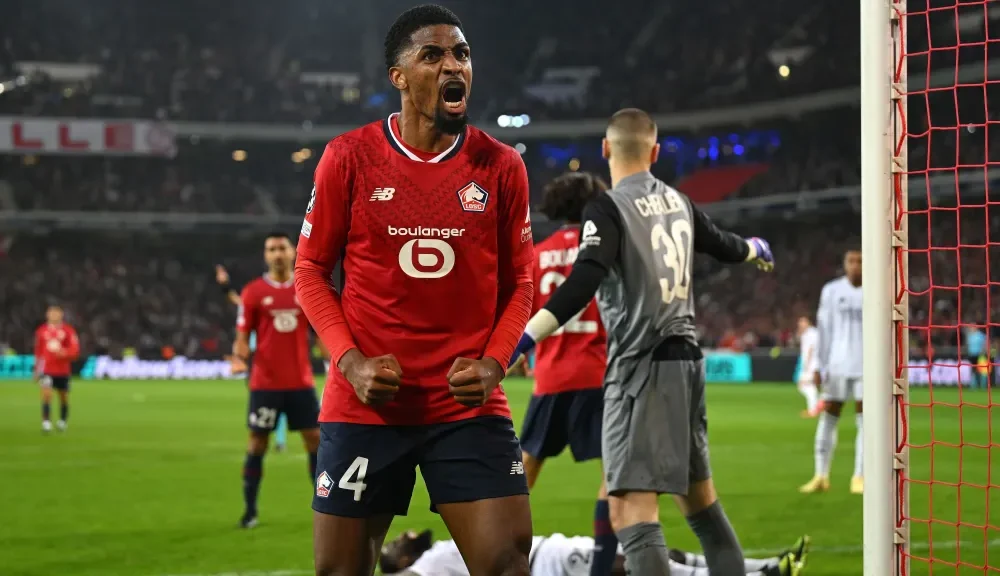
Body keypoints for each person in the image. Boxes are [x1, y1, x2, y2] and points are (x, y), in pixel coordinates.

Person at [294, 5, 535, 575]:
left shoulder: (501, 167)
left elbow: (520, 281)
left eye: (462, 54)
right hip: (367, 408)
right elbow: (309, 270)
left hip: (466, 407)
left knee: (507, 565)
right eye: (433, 55)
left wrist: (496, 364)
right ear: (398, 76)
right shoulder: (348, 157)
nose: (454, 65)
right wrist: (349, 363)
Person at [508, 108, 775, 575]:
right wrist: (756, 249)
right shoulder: (680, 202)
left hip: (640, 370)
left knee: (630, 513)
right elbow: (728, 246)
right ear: (653, 153)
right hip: (688, 366)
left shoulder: (607, 208)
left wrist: (523, 338)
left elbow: (582, 281)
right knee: (703, 508)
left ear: (606, 149)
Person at [519, 172, 618, 576]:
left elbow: (526, 315)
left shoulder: (537, 253)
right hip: (598, 375)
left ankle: (490, 556)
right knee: (615, 475)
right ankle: (603, 566)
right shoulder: (605, 247)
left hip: (551, 376)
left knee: (520, 475)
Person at [233, 232, 321, 528]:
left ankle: (324, 508)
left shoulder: (307, 287)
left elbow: (320, 331)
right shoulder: (253, 292)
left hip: (301, 381)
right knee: (257, 443)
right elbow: (243, 337)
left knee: (316, 441)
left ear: (294, 251)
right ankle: (250, 511)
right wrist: (239, 357)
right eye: (271, 249)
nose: (277, 254)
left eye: (282, 248)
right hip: (265, 384)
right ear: (265, 255)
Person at [378, 529, 809, 576]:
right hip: (558, 563)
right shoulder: (428, 563)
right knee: (648, 566)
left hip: (559, 550)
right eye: (395, 542)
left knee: (663, 554)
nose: (404, 534)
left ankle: (769, 566)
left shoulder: (440, 551)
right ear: (401, 561)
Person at [800, 250, 864, 495]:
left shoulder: (877, 287)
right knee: (828, 418)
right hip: (836, 365)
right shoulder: (831, 291)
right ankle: (820, 475)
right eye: (851, 261)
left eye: (860, 261)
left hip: (866, 366)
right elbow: (823, 330)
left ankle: (859, 476)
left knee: (865, 421)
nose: (856, 265)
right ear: (844, 263)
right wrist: (819, 365)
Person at [217, 264, 290, 452]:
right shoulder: (252, 310)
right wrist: (225, 286)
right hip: (255, 364)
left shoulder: (266, 314)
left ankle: (277, 440)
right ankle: (271, 438)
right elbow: (236, 301)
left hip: (271, 361)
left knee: (276, 401)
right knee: (267, 403)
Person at [34, 305, 80, 433]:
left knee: (63, 397)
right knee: (46, 395)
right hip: (47, 370)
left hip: (63, 371)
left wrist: (63, 352)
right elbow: (38, 352)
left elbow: (75, 351)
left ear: (61, 315)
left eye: (56, 313)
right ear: (47, 315)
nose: (53, 315)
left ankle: (62, 421)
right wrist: (37, 370)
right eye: (51, 313)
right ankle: (46, 422)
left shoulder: (68, 331)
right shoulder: (41, 331)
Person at [796, 316, 822, 418]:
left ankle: (813, 409)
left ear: (808, 322)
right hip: (810, 364)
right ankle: (816, 407)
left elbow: (811, 348)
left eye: (803, 322)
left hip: (811, 364)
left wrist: (807, 363)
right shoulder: (806, 333)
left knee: (804, 385)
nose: (801, 325)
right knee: (809, 386)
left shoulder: (812, 333)